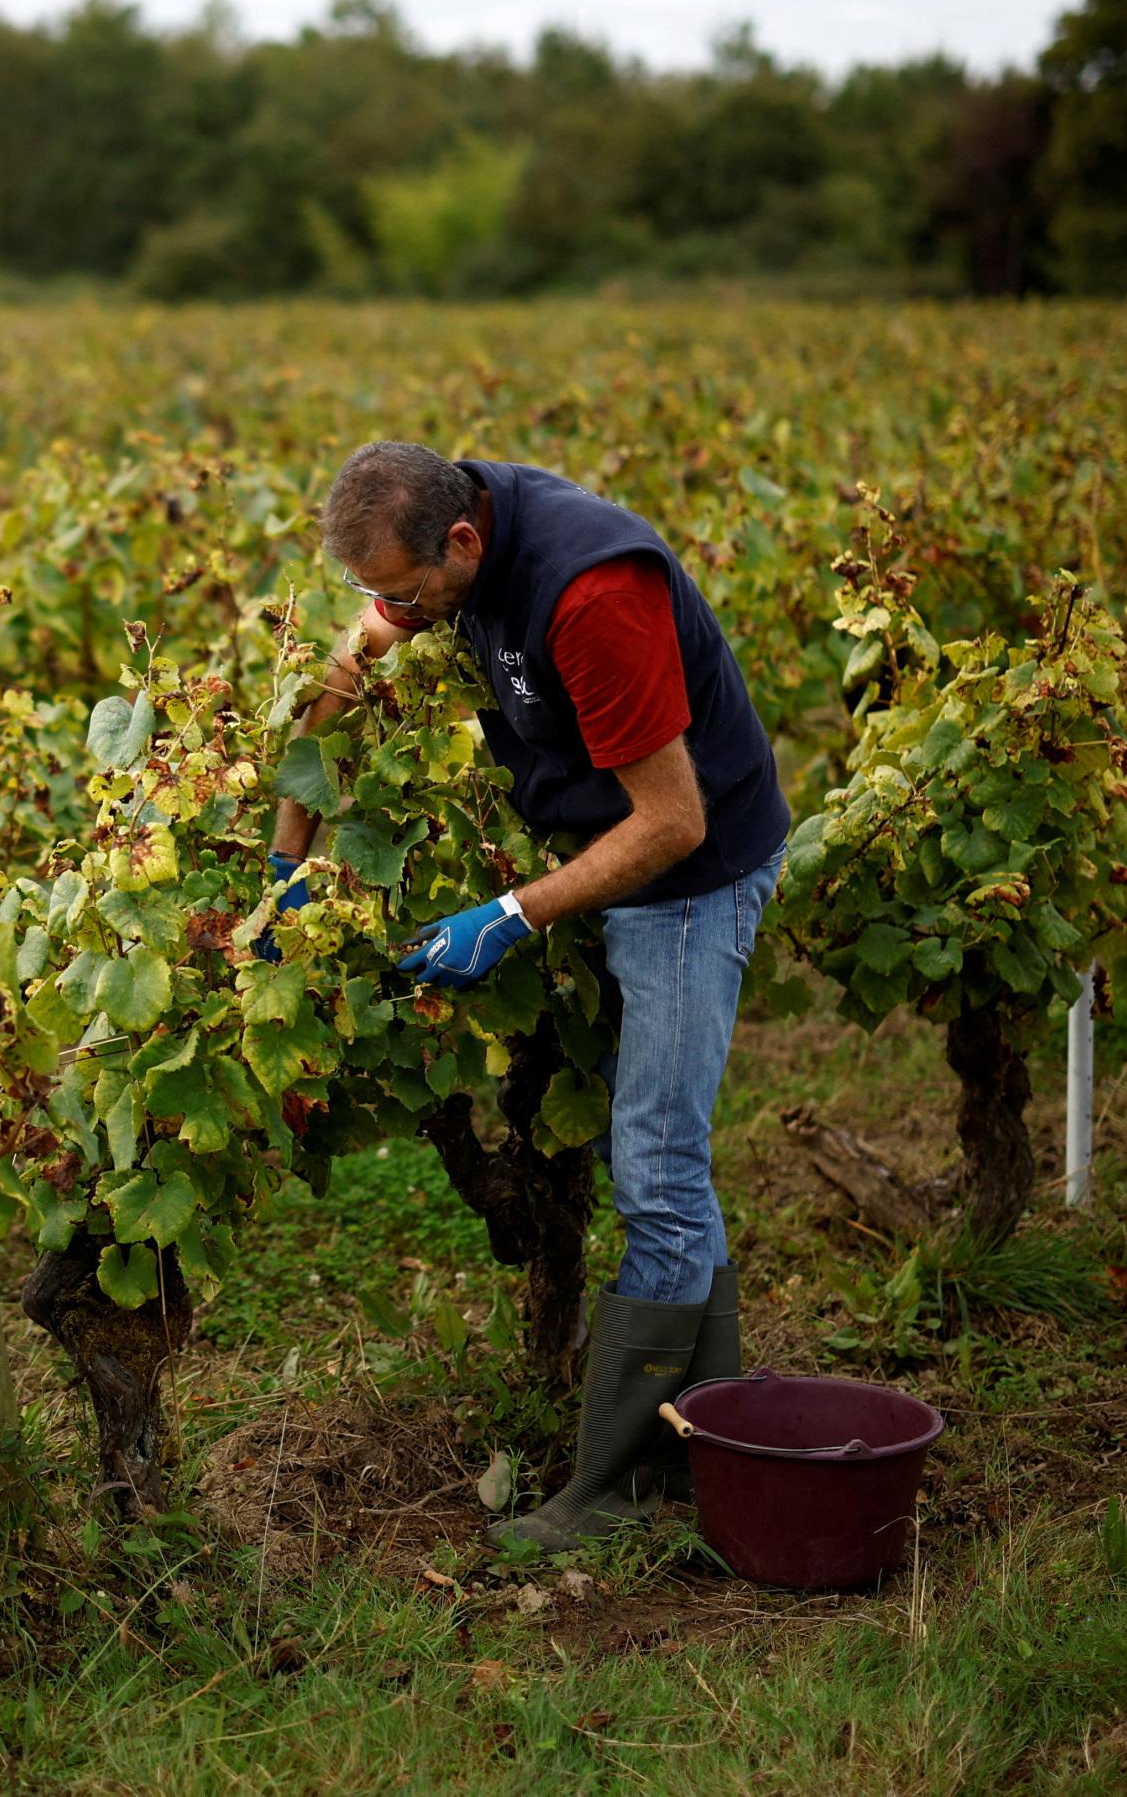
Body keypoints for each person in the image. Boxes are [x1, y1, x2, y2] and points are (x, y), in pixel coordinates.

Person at [268, 441, 788, 1554]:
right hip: (595, 835)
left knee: (654, 1164)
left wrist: (510, 915)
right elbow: (356, 656)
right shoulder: (445, 533)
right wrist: (288, 846)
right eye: (379, 592)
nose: (393, 615)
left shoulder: (593, 596)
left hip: (688, 873)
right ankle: (710, 1442)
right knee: (660, 1162)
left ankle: (622, 1492)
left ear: (464, 541)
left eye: (407, 594)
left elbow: (672, 825)